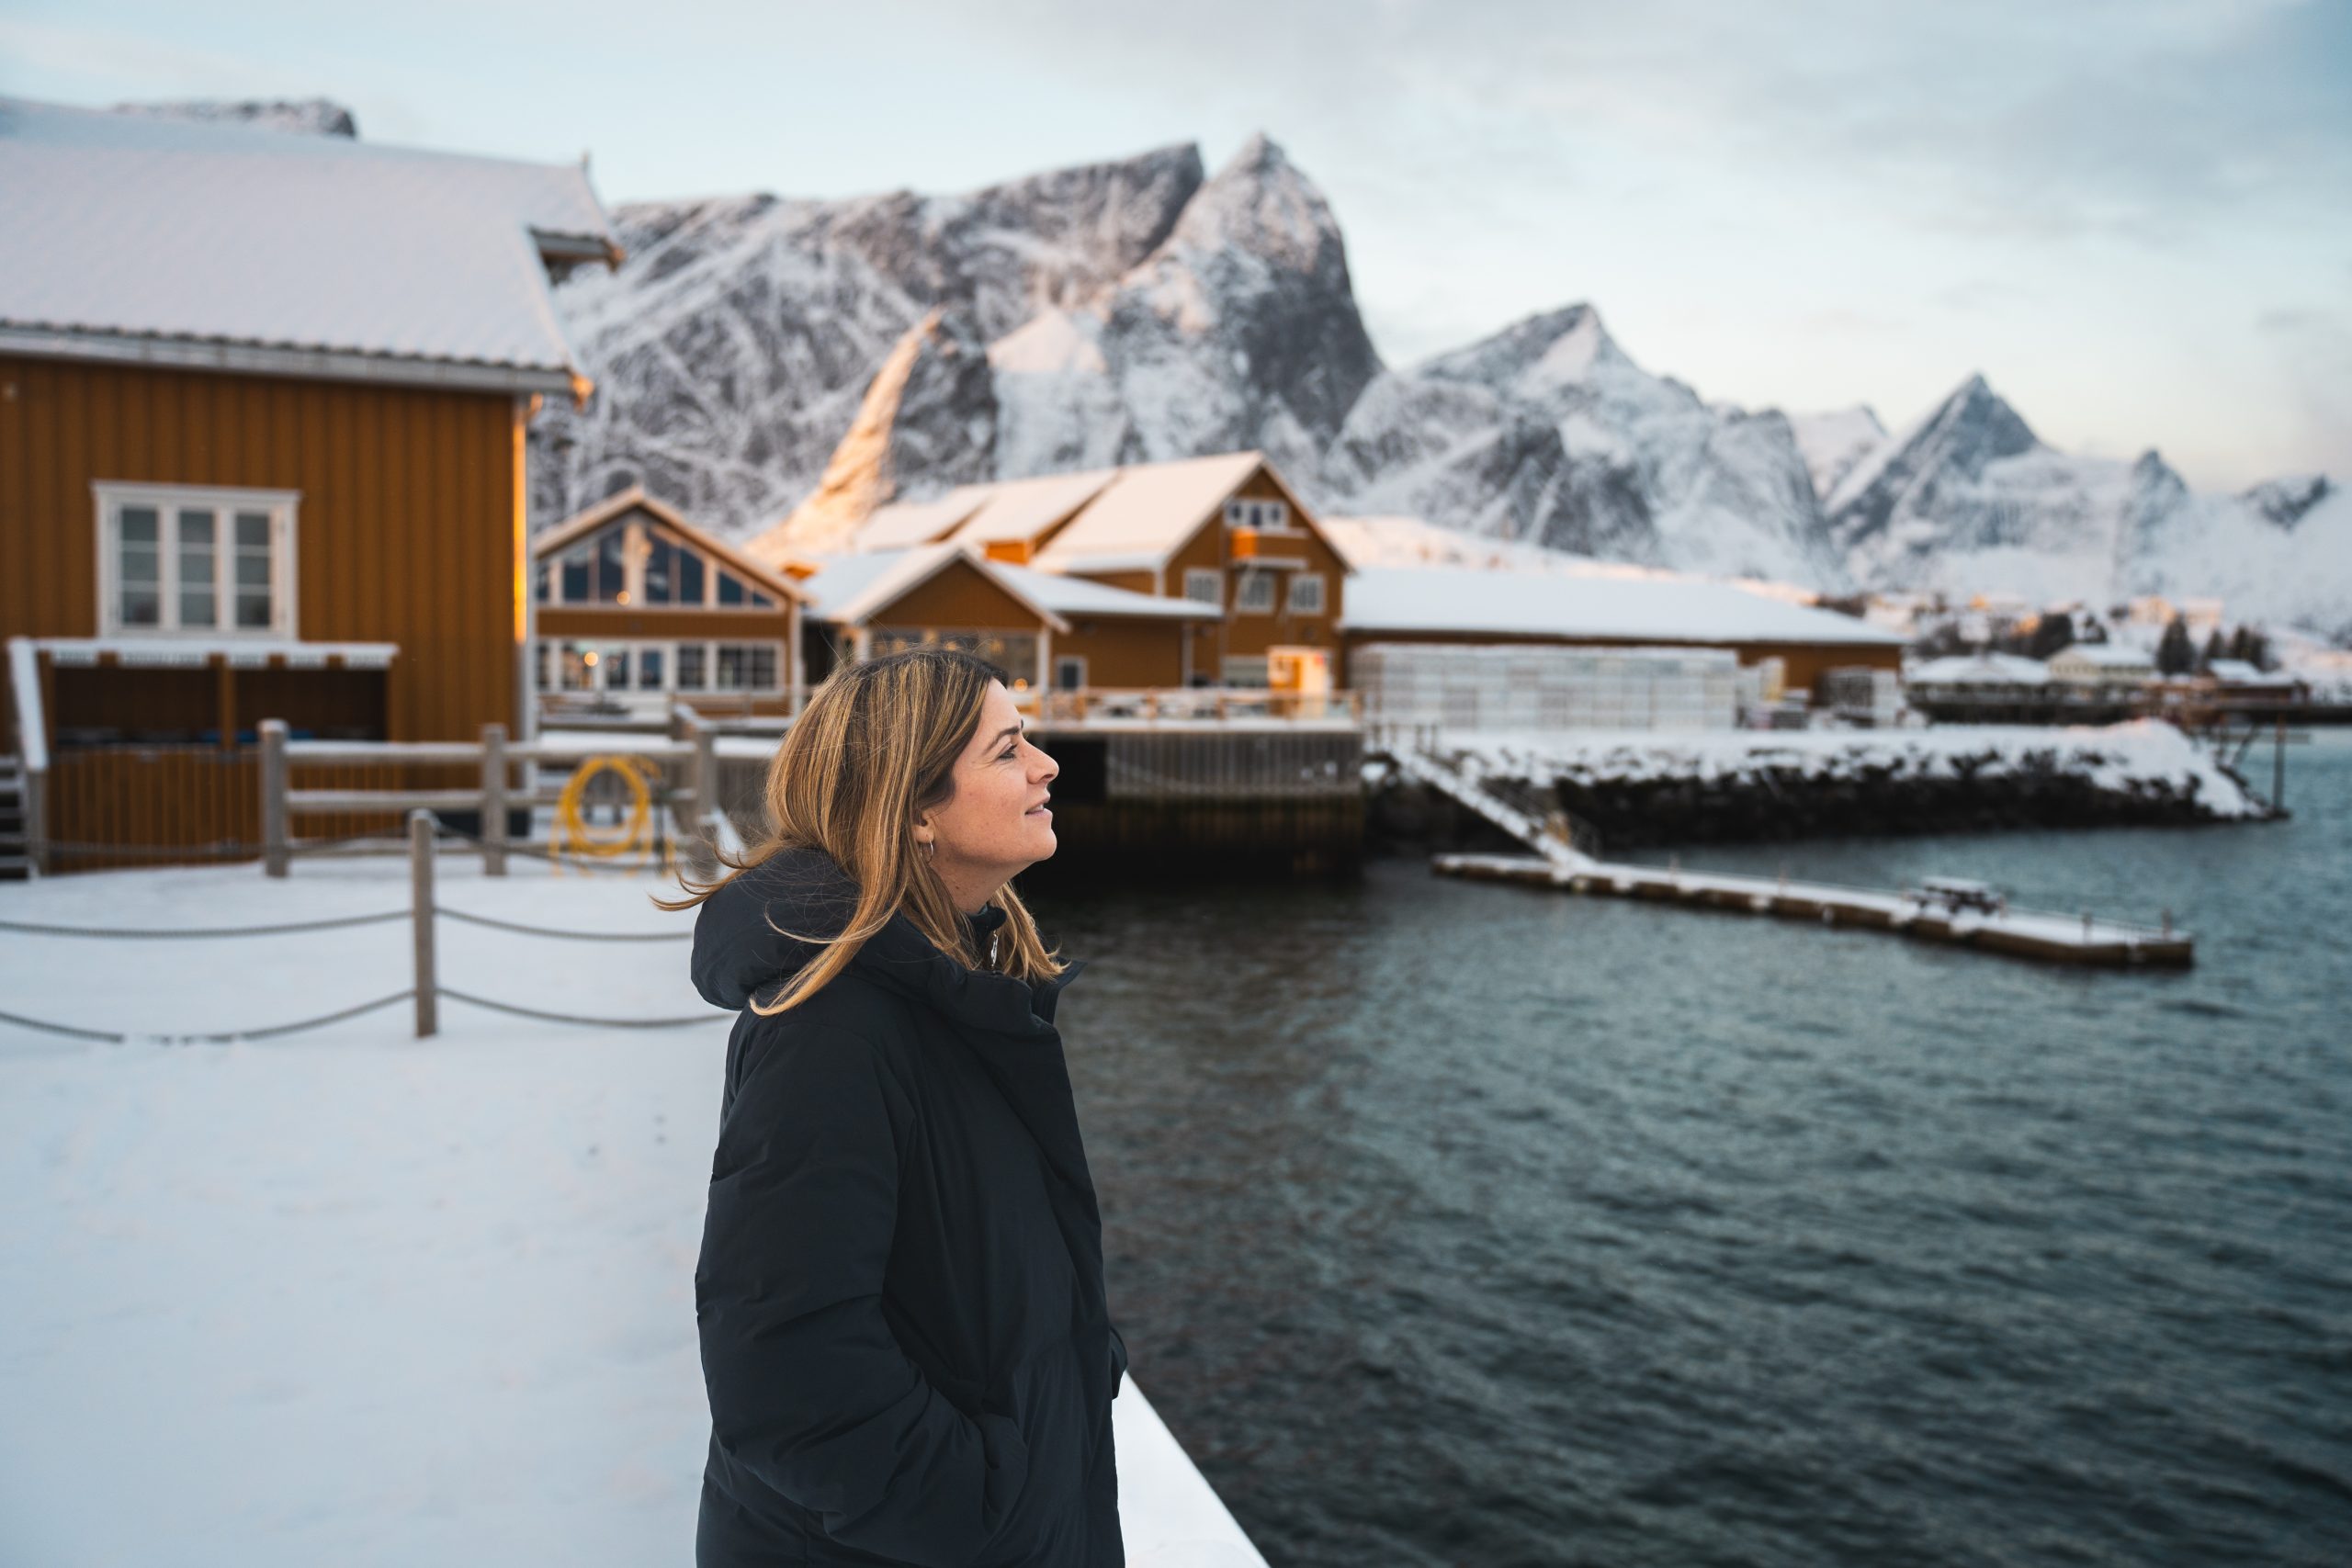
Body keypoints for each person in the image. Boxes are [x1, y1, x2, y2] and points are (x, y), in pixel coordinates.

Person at [663, 647, 1126, 1566]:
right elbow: (784, 1362)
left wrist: (1073, 1382)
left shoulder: (953, 988)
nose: (1046, 765)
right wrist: (984, 1502)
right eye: (1007, 750)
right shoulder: (834, 1027)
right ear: (916, 809)